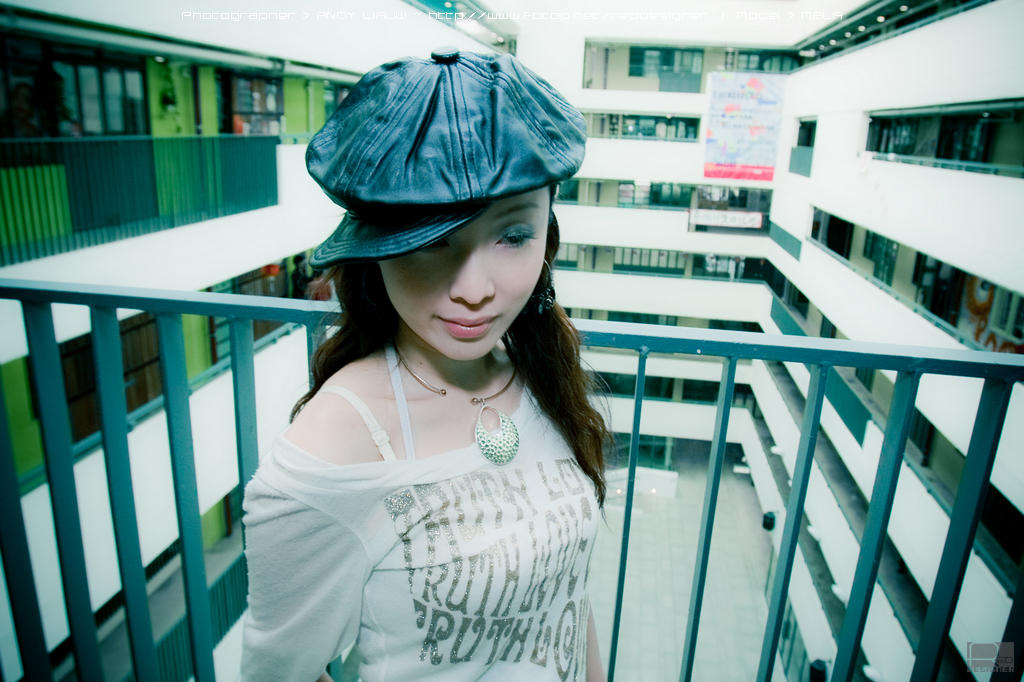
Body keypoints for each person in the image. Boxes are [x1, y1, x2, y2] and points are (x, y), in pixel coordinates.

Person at [240, 47, 609, 682]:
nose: (475, 290)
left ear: (547, 237)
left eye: (512, 236)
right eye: (431, 241)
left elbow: (567, 604)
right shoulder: (333, 449)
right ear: (376, 251)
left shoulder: (539, 370)